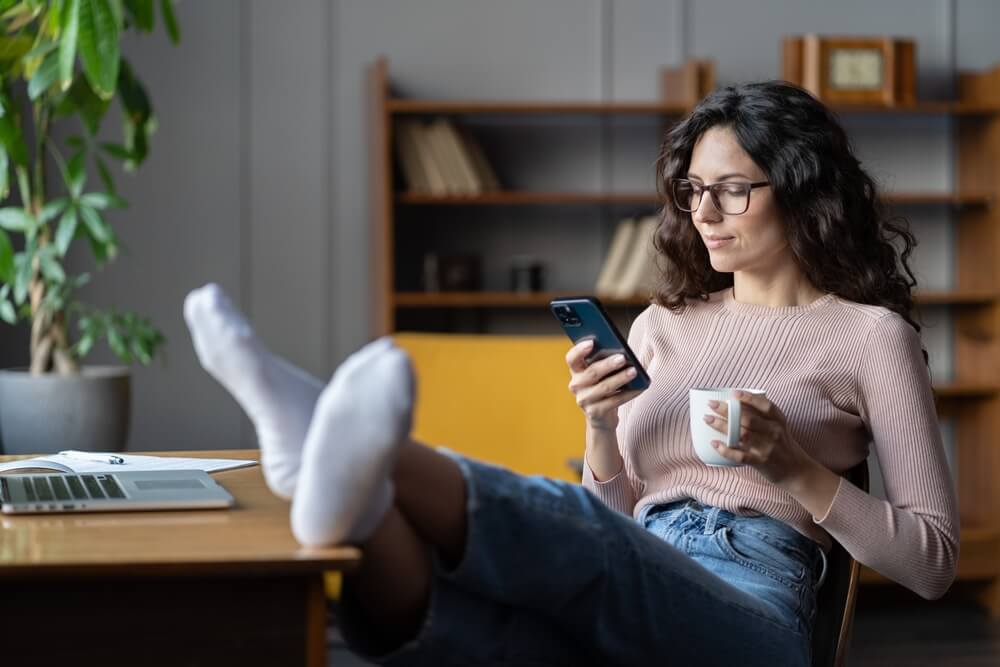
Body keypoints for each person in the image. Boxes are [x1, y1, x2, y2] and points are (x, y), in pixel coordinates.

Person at [183, 81, 958, 666]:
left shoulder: (868, 336)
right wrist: (600, 428)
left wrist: (790, 464)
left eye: (732, 189)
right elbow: (618, 518)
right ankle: (343, 490)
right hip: (639, 556)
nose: (704, 213)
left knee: (585, 544)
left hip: (755, 600)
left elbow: (931, 564)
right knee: (468, 619)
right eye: (692, 190)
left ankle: (347, 452)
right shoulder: (663, 326)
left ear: (799, 190)